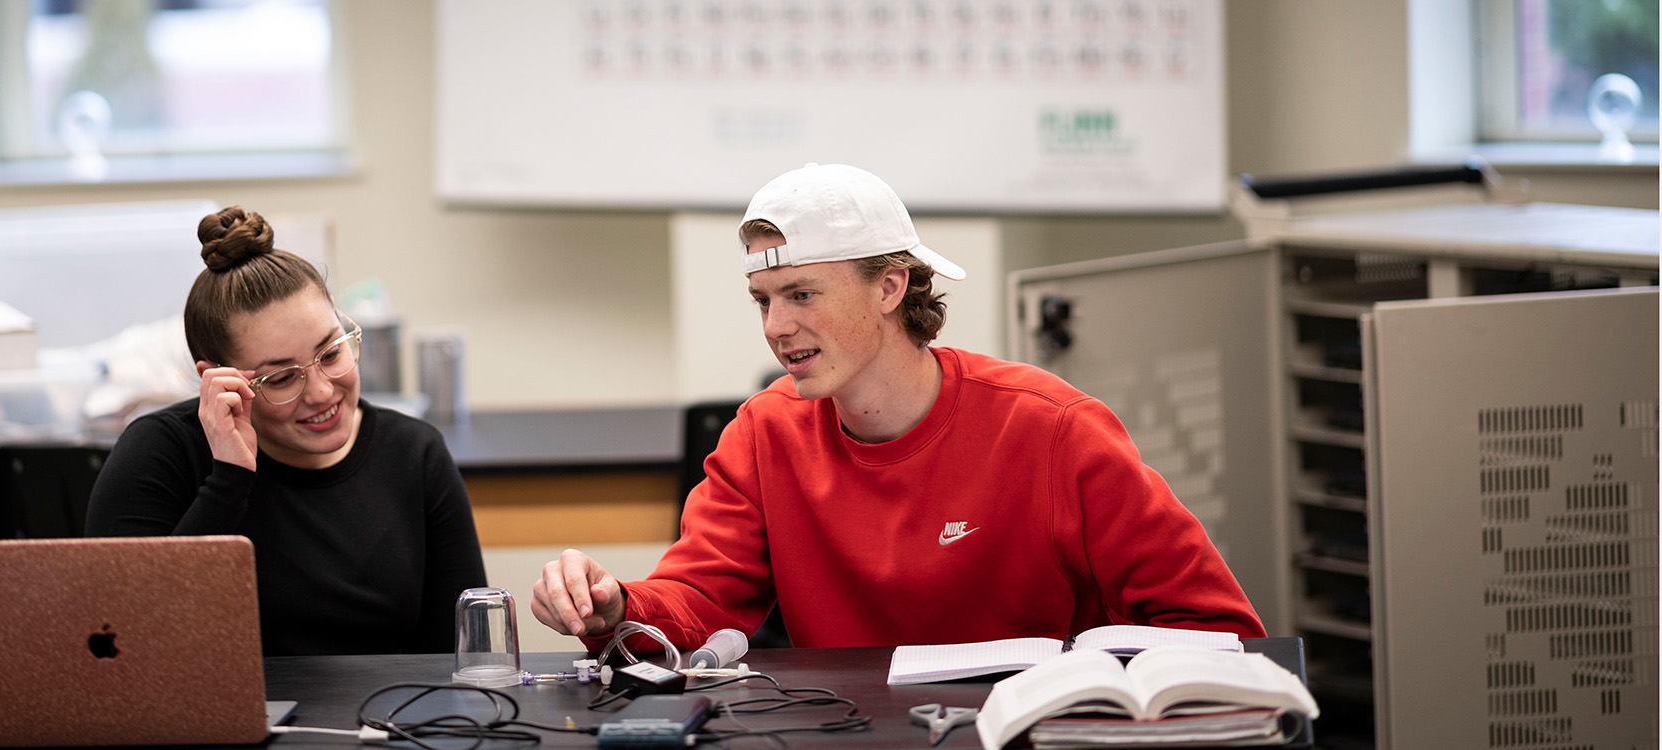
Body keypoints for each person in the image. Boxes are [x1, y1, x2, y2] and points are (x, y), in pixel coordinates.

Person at [532, 164, 1264, 650]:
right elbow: (696, 597)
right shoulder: (765, 433)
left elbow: (1215, 626)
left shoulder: (1051, 429)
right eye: (763, 300)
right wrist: (617, 607)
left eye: (802, 295)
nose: (776, 327)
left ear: (889, 288)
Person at [87, 205, 487, 656]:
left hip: (381, 722)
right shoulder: (159, 454)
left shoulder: (414, 453)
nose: (320, 393)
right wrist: (229, 479)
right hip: (210, 723)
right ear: (217, 380)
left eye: (332, 352)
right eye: (280, 379)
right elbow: (125, 645)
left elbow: (462, 659)